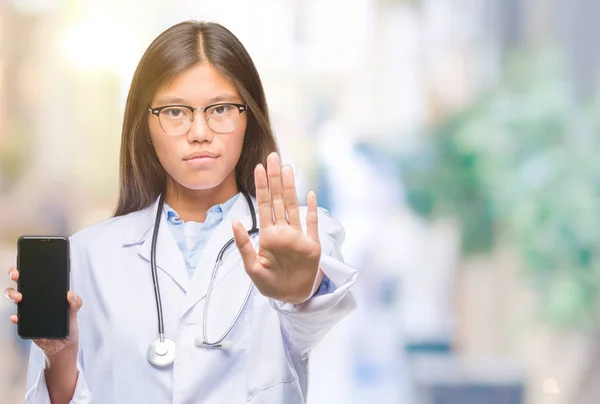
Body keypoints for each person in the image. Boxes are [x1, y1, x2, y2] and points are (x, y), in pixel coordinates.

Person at [3, 20, 358, 404]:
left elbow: (313, 319)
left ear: (248, 119)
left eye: (220, 109)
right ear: (146, 125)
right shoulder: (89, 253)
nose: (200, 132)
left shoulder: (301, 235)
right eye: (176, 112)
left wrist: (300, 293)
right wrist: (61, 356)